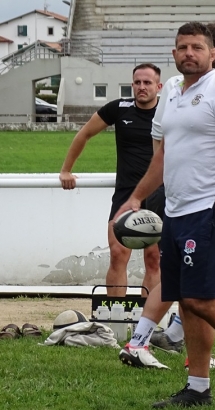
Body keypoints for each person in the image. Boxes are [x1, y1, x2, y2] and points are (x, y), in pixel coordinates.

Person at [116, 22, 215, 408]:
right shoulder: (171, 91)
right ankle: (198, 387)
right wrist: (136, 198)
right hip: (176, 209)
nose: (189, 53)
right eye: (182, 47)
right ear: (174, 54)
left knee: (199, 296)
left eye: (197, 47)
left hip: (212, 207)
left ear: (212, 54)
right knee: (183, 299)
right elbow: (163, 156)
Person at [59, 63, 163, 298]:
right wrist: (66, 170)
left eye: (147, 83)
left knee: (154, 259)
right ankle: (116, 320)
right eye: (137, 82)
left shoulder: (169, 111)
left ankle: (148, 324)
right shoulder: (119, 108)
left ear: (159, 86)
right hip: (126, 194)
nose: (141, 87)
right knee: (118, 254)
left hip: (159, 194)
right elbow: (84, 134)